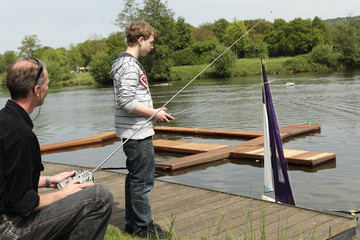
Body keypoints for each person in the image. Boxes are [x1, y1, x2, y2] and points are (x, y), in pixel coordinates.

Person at [0, 58, 113, 240]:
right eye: (47, 85)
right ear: (37, 91)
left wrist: (49, 181)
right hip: (9, 229)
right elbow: (21, 204)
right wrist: (61, 194)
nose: (47, 89)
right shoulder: (22, 135)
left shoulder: (4, 120)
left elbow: (8, 180)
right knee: (99, 196)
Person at [110, 21, 174, 239]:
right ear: (140, 40)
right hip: (137, 134)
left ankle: (131, 223)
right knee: (143, 181)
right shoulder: (129, 66)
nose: (152, 47)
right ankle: (143, 227)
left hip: (134, 132)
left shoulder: (122, 63)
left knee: (135, 178)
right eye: (151, 42)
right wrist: (153, 114)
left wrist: (153, 110)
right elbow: (126, 102)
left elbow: (130, 99)